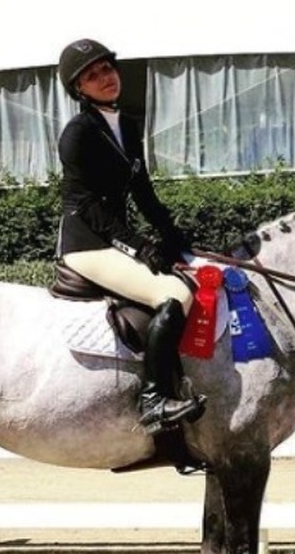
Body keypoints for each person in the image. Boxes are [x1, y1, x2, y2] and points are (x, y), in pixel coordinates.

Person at [55, 38, 205, 435]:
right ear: (78, 89)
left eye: (107, 69)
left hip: (112, 238)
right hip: (88, 245)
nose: (106, 78)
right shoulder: (78, 133)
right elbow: (87, 206)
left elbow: (143, 192)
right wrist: (137, 246)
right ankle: (153, 399)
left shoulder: (128, 124)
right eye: (93, 75)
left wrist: (173, 235)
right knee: (175, 295)